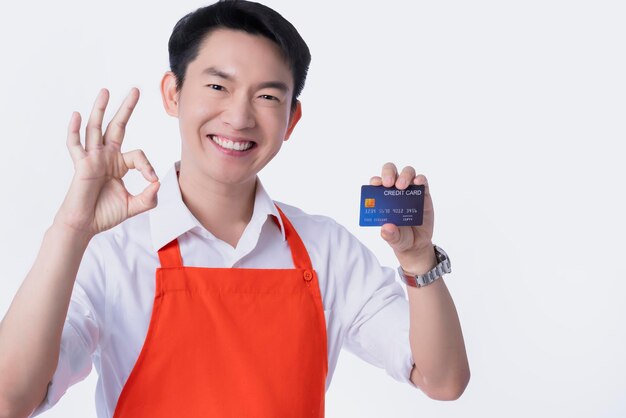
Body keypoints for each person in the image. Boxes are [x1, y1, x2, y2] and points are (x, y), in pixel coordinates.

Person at [0, 1, 469, 417]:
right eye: (219, 86)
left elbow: (443, 380)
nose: (240, 116)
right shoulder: (109, 252)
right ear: (172, 93)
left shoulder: (328, 251)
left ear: (292, 120)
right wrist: (71, 227)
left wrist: (417, 260)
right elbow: (10, 400)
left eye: (267, 96)